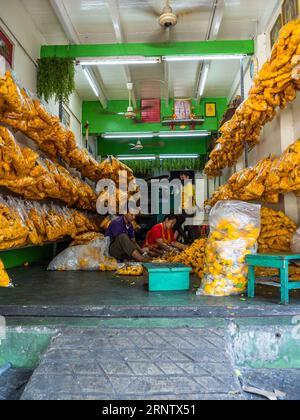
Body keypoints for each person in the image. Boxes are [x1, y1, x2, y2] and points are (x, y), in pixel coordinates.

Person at [173, 172, 196, 244]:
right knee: (189, 226)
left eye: (183, 178)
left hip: (188, 209)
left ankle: (188, 240)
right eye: (181, 178)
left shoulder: (189, 186)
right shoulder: (185, 186)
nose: (182, 179)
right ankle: (190, 241)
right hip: (185, 209)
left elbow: (189, 198)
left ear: (188, 177)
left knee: (177, 225)